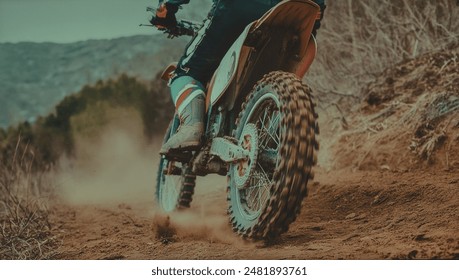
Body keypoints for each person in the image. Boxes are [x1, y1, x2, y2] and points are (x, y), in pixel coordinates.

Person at [154, 0, 326, 154]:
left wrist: (165, 9)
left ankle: (192, 127)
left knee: (186, 71)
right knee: (289, 60)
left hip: (237, 8)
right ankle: (276, 125)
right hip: (302, 11)